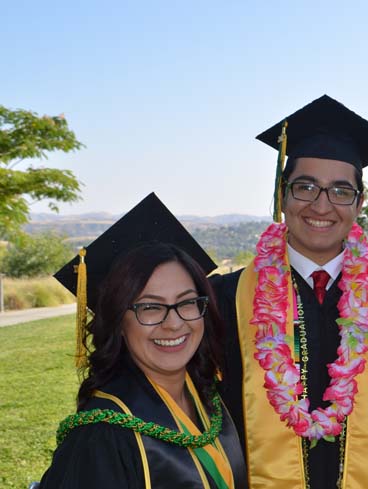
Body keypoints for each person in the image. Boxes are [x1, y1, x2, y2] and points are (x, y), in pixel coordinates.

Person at [210, 95, 368, 489]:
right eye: (306, 187)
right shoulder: (227, 299)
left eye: (341, 191)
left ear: (359, 203)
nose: (322, 206)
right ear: (283, 194)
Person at [40, 193, 247, 489]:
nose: (174, 323)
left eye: (187, 303)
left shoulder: (207, 395)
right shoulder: (102, 435)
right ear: (118, 321)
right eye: (150, 307)